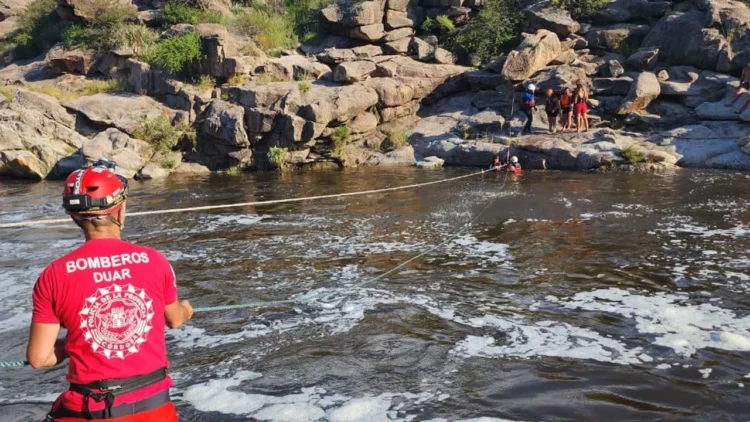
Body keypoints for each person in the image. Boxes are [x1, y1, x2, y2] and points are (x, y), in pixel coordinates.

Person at [27, 159, 193, 421]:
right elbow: (174, 319)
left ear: (73, 216)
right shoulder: (155, 260)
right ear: (119, 211)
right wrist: (186, 309)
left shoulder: (54, 275)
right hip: (155, 408)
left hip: (89, 410)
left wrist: (78, 342)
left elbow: (39, 358)